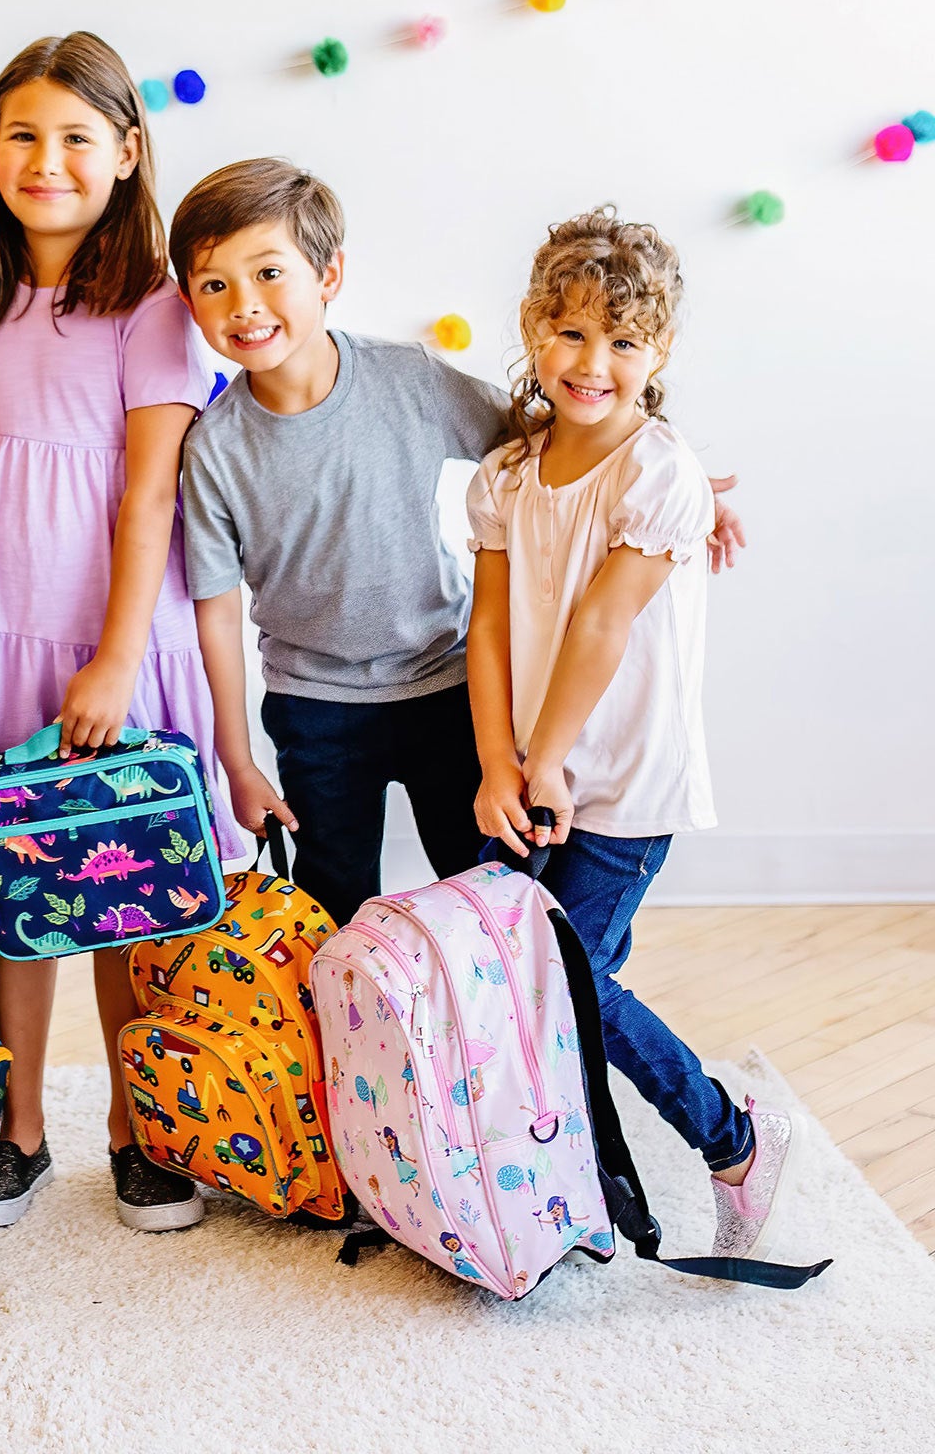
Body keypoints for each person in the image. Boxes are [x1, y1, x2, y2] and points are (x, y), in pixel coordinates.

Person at [172, 157, 744, 934]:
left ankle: (485, 1020)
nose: (245, 304)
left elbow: (558, 434)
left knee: (485, 900)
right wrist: (236, 763)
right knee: (333, 905)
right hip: (314, 709)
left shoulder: (407, 379)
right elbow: (213, 609)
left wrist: (682, 483)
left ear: (329, 275)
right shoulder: (214, 448)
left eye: (269, 273)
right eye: (215, 285)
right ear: (190, 300)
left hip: (444, 688)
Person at [0, 33, 251, 1235]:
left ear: (126, 152)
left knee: (119, 883)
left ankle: (133, 1133)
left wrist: (113, 657)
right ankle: (16, 1132)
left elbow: (149, 491)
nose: (44, 160)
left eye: (73, 137)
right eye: (22, 136)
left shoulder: (153, 308)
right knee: (12, 877)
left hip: (109, 628)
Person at [466, 206, 790, 1259]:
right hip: (528, 770)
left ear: (660, 351)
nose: (590, 362)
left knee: (569, 984)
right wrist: (499, 762)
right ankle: (561, 1176)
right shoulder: (505, 477)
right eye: (568, 332)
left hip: (620, 781)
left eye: (621, 340)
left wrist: (548, 759)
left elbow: (602, 623)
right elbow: (486, 627)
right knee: (519, 979)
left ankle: (732, 1139)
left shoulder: (658, 473)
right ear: (532, 328)